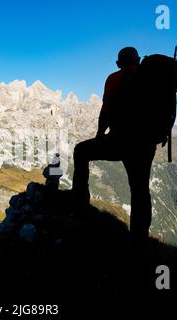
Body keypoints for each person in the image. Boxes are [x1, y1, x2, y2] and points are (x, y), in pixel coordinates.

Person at [72, 47, 156, 247]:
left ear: (118, 63)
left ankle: (80, 205)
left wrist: (100, 136)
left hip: (118, 141)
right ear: (138, 60)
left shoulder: (113, 79)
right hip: (145, 145)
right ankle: (139, 237)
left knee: (81, 151)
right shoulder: (151, 78)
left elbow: (106, 111)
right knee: (140, 188)